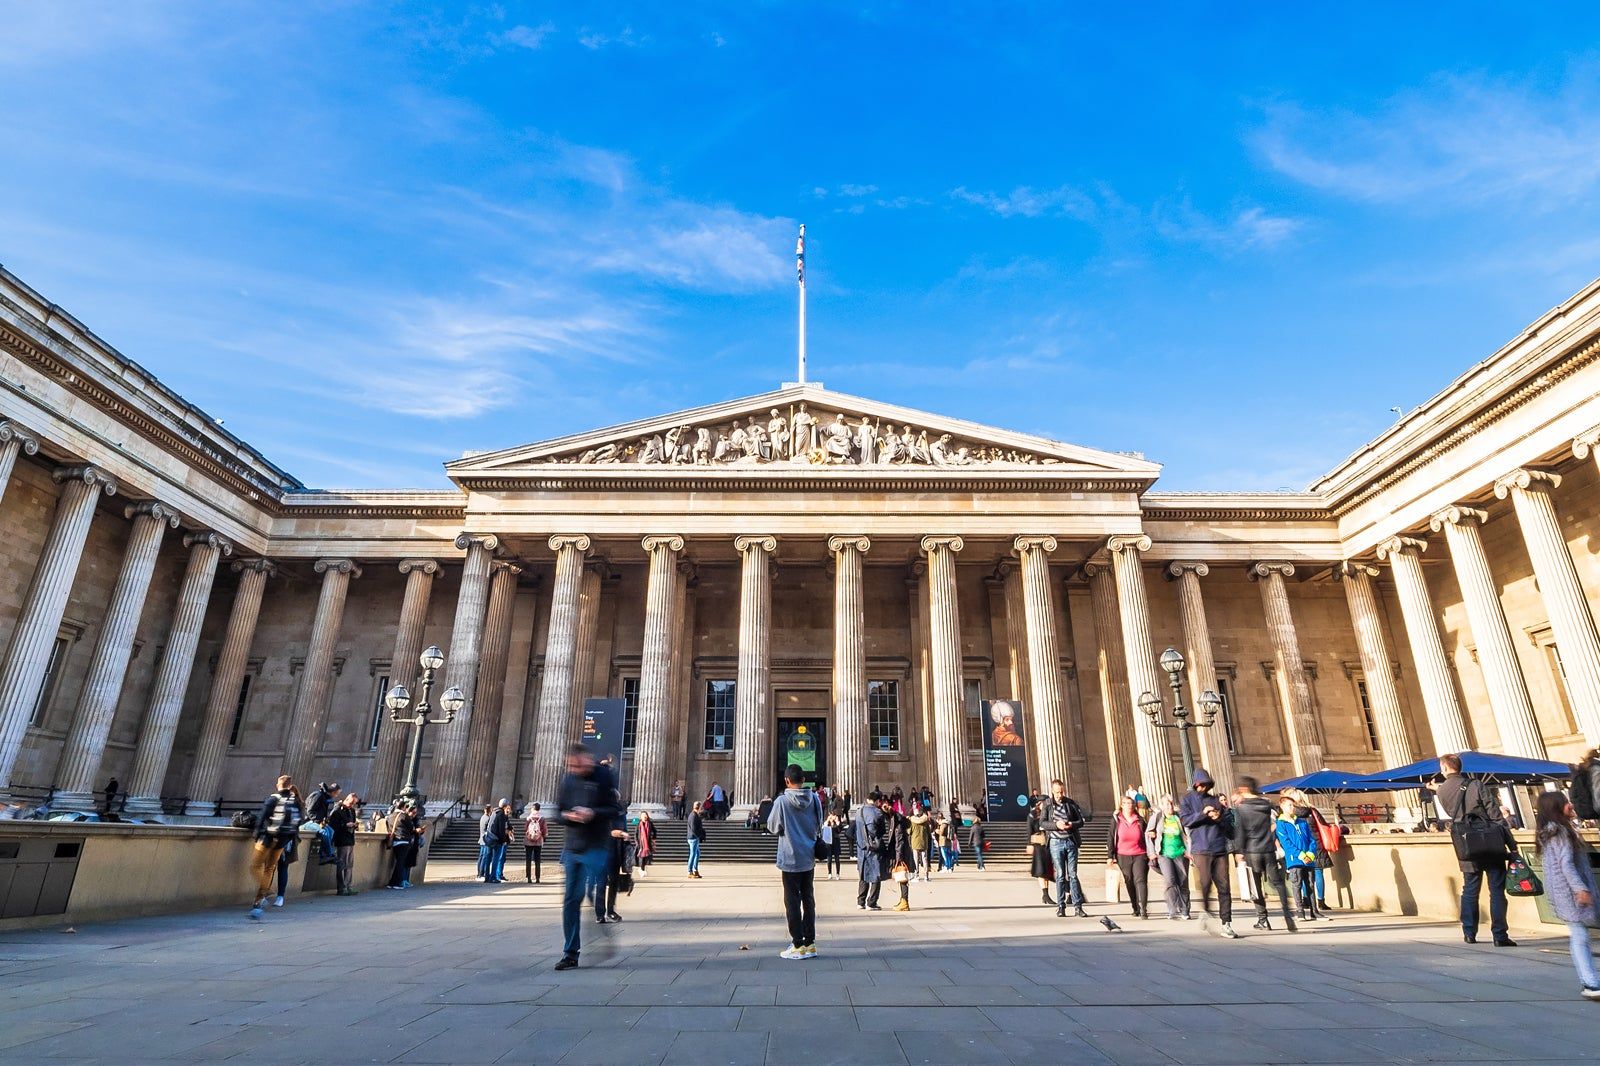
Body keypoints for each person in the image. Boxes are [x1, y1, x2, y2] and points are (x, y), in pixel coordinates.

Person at [554, 743, 623, 971]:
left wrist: (593, 813)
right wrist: (568, 815)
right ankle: (570, 952)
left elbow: (614, 809)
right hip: (573, 847)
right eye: (570, 765)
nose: (574, 768)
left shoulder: (603, 776)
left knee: (593, 892)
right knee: (571, 900)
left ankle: (601, 925)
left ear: (586, 758)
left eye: (576, 764)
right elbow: (558, 812)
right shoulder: (568, 779)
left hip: (596, 845)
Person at [1436, 752, 1516, 946]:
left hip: (1465, 844)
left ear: (1445, 768)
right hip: (1489, 841)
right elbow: (1495, 814)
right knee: (1496, 890)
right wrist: (1511, 845)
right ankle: (1499, 935)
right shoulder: (1476, 785)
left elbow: (1453, 814)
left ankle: (1469, 932)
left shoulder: (1441, 791)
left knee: (1470, 889)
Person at [1533, 790, 1600, 999]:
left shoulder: (1550, 831)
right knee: (1580, 936)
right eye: (1565, 803)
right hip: (1571, 893)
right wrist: (1581, 889)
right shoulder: (1560, 832)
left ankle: (1589, 981)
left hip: (1563, 892)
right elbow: (1567, 865)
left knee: (1579, 935)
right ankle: (1589, 982)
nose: (1570, 805)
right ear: (1556, 808)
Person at [768, 763, 823, 958]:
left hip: (790, 857)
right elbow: (819, 824)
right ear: (803, 780)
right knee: (808, 899)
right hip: (808, 856)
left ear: (786, 781)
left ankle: (798, 944)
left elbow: (773, 827)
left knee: (792, 901)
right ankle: (811, 943)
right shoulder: (815, 798)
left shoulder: (781, 802)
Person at [1179, 768, 1238, 938]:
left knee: (1224, 886)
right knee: (1205, 883)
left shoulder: (1215, 800)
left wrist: (1218, 817)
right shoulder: (1187, 800)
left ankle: (1226, 923)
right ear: (1196, 784)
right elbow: (1185, 821)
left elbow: (1228, 825)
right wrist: (1203, 814)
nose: (1203, 787)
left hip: (1219, 847)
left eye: (1206, 784)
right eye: (1200, 784)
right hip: (1201, 848)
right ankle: (1205, 910)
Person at [1233, 778, 1296, 931]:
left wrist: (1239, 851)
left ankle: (1263, 919)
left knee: (1256, 886)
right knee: (1279, 883)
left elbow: (1241, 831)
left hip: (1252, 850)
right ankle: (1288, 915)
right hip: (1267, 848)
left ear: (1244, 789)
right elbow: (1270, 824)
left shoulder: (1241, 808)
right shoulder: (1266, 804)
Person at [247, 775, 302, 920]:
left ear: (278, 784)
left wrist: (256, 835)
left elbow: (261, 818)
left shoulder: (273, 799)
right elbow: (298, 822)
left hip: (267, 838)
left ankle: (267, 890)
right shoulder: (294, 802)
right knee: (269, 868)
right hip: (282, 840)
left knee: (255, 866)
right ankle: (258, 901)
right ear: (289, 785)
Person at [1044, 779, 1087, 918]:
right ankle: (1061, 906)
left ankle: (1078, 906)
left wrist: (1070, 825)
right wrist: (1056, 825)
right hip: (1055, 842)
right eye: (1057, 792)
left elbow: (1081, 821)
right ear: (1052, 791)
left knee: (1073, 874)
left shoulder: (1071, 803)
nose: (1059, 795)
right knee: (1061, 875)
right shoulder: (1047, 804)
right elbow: (1043, 823)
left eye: (1061, 792)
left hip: (1070, 841)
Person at [1276, 796, 1321, 921]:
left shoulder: (1302, 822)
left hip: (1308, 858)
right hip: (1294, 858)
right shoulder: (1281, 824)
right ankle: (1300, 910)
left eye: (1293, 805)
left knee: (1310, 884)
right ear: (1282, 806)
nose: (1292, 808)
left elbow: (1312, 839)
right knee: (1297, 884)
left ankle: (1314, 910)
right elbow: (1286, 843)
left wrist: (1310, 853)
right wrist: (1300, 854)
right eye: (1289, 805)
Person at [1147, 793, 1191, 920]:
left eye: (1171, 803)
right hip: (1164, 854)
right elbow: (1148, 835)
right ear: (1161, 805)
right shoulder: (1157, 817)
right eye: (1166, 803)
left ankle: (1185, 909)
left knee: (1183, 881)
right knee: (1170, 881)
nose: (1169, 806)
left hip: (1180, 853)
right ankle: (1172, 909)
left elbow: (1188, 835)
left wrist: (1189, 851)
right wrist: (1152, 853)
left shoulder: (1179, 817)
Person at [1106, 795, 1150, 918]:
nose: (1129, 805)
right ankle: (1135, 907)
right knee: (1129, 881)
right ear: (1122, 805)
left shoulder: (1140, 820)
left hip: (1140, 854)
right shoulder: (1116, 820)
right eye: (1126, 803)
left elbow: (1147, 835)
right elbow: (1110, 837)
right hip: (1122, 855)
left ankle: (1144, 909)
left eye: (1131, 803)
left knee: (1140, 880)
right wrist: (1110, 856)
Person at [854, 791, 889, 910]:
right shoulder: (877, 812)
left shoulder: (859, 811)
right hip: (874, 848)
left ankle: (860, 901)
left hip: (861, 847)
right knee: (876, 875)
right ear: (878, 801)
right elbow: (881, 831)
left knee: (863, 875)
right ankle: (872, 902)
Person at [328, 791, 361, 895]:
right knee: (342, 864)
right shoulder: (338, 810)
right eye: (351, 803)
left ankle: (348, 886)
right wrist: (345, 825)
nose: (352, 805)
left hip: (350, 839)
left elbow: (353, 822)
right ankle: (341, 888)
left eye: (354, 803)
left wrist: (354, 825)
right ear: (346, 800)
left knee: (349, 864)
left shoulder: (352, 811)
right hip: (342, 840)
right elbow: (333, 825)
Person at [1028, 798, 1054, 905]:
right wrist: (1029, 844)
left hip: (1047, 843)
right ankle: (1045, 894)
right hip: (1038, 844)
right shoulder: (1032, 814)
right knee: (1040, 870)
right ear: (1039, 803)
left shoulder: (1048, 813)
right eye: (1044, 803)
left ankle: (1046, 895)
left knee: (1046, 871)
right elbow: (1028, 829)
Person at [387, 801, 417, 889]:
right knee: (400, 863)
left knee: (398, 862)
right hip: (403, 840)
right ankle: (397, 883)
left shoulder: (391, 816)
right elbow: (411, 828)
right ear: (403, 807)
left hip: (395, 841)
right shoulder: (404, 816)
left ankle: (392, 882)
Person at [908, 802, 932, 882]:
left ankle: (917, 876)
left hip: (915, 842)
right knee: (924, 859)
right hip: (924, 842)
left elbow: (909, 831)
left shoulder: (912, 821)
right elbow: (929, 831)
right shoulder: (925, 821)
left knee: (916, 860)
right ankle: (926, 877)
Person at [524, 802, 547, 884]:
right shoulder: (542, 818)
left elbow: (525, 829)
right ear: (539, 809)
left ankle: (529, 877)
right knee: (537, 860)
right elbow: (544, 830)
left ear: (533, 808)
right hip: (538, 842)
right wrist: (543, 837)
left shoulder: (528, 818)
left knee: (528, 860)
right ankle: (537, 878)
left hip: (528, 841)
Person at [823, 807, 845, 880]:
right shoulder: (827, 823)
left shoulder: (837, 823)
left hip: (836, 841)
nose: (833, 817)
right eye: (832, 815)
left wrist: (837, 823)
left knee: (837, 858)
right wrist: (828, 821)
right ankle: (829, 873)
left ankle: (837, 873)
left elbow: (839, 831)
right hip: (828, 842)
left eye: (834, 815)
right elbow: (824, 829)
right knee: (829, 858)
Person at [476, 804, 496, 882]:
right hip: (486, 840)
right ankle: (481, 873)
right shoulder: (488, 819)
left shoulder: (482, 817)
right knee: (485, 857)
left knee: (481, 857)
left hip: (481, 839)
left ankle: (479, 873)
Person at [687, 801, 707, 877]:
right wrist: (699, 836)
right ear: (699, 807)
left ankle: (695, 870)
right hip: (693, 838)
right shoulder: (693, 816)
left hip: (694, 837)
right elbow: (694, 829)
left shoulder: (695, 815)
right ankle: (690, 871)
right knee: (693, 854)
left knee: (697, 854)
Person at [636, 809, 656, 877]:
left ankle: (642, 869)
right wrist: (637, 842)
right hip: (641, 844)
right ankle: (641, 869)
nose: (644, 817)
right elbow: (636, 834)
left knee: (646, 858)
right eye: (643, 815)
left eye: (645, 815)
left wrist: (653, 839)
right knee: (641, 857)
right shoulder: (639, 824)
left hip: (647, 843)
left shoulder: (650, 823)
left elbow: (655, 831)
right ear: (641, 817)